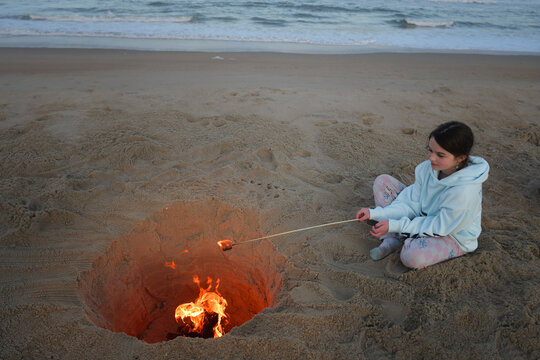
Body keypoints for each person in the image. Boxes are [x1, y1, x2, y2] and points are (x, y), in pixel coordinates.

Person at [356, 121, 489, 269]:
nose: (431, 158)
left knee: (411, 257)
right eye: (430, 150)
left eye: (440, 155)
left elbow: (440, 227)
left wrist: (395, 224)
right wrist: (375, 213)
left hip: (450, 234)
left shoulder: (464, 191)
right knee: (383, 182)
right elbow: (411, 203)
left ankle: (403, 237)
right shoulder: (426, 169)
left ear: (460, 158)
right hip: (422, 216)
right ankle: (392, 239)